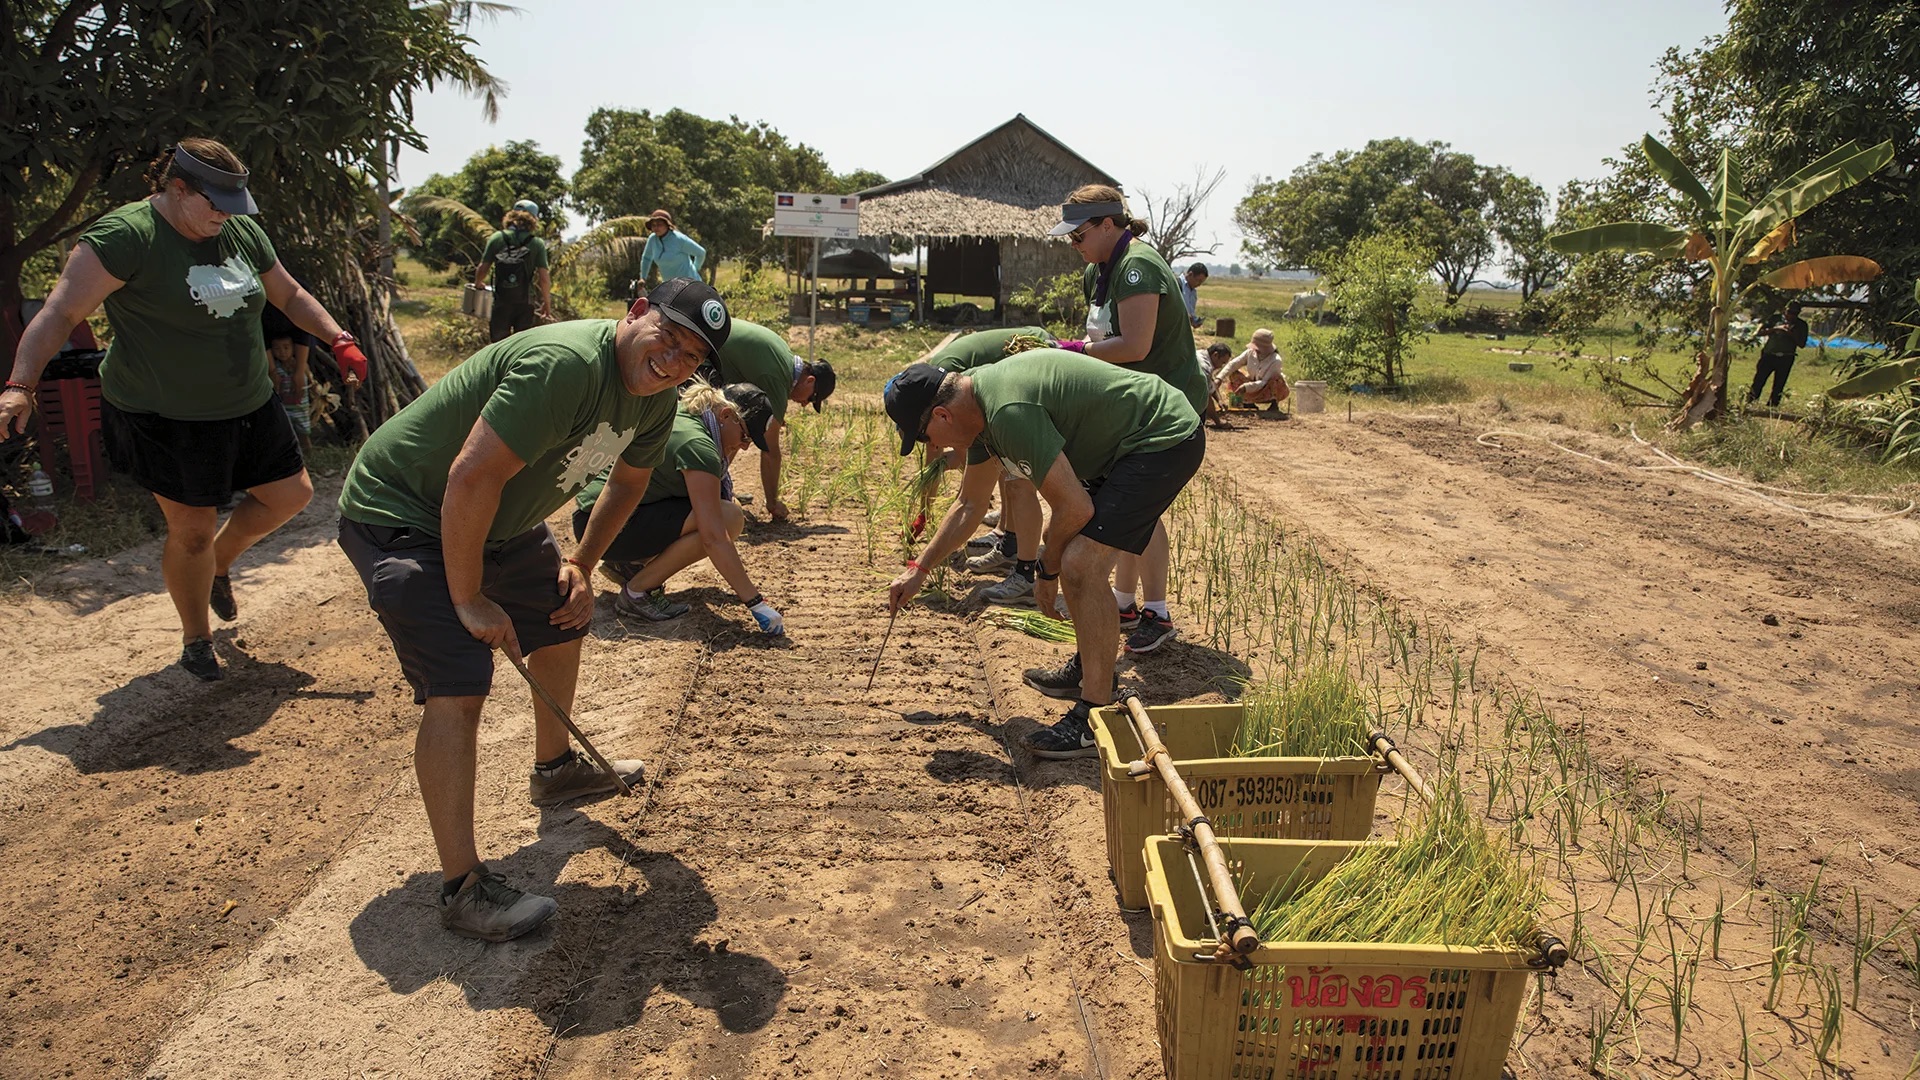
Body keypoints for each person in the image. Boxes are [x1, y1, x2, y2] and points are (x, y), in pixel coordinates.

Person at [335, 278, 731, 942]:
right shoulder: (567, 365)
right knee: (460, 679)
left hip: (498, 521)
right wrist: (467, 596)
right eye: (668, 339)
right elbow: (470, 476)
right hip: (405, 512)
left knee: (561, 611)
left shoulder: (655, 401)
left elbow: (628, 484)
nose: (673, 362)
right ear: (635, 314)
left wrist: (579, 564)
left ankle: (555, 771)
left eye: (692, 357)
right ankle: (463, 890)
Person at [0, 138, 367, 682]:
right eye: (215, 206)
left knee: (291, 496)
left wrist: (339, 338)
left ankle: (220, 563)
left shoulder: (238, 229)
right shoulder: (125, 238)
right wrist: (20, 385)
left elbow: (287, 295)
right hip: (164, 414)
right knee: (192, 529)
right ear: (177, 188)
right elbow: (59, 313)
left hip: (246, 400)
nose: (226, 217)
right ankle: (197, 638)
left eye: (232, 207)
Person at [884, 350, 1203, 758]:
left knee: (1079, 563)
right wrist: (919, 569)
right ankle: (1091, 669)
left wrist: (1045, 570)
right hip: (1124, 445)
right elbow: (968, 505)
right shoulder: (977, 407)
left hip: (1161, 437)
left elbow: (1074, 507)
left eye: (924, 437)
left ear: (943, 416)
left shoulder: (1007, 411)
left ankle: (1095, 712)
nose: (931, 446)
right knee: (1073, 556)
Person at [1048, 186, 1208, 654]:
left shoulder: (1137, 268)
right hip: (1132, 407)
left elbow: (1135, 346)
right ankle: (1124, 603)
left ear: (1107, 225)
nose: (1073, 244)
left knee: (1141, 507)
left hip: (1165, 408)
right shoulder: (1100, 271)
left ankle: (1155, 613)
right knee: (1128, 506)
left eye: (1078, 234)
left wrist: (1071, 353)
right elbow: (1102, 334)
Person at [572, 381, 784, 630]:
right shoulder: (697, 445)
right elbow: (713, 537)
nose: (745, 446)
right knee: (729, 517)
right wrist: (755, 603)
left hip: (598, 520)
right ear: (726, 415)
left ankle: (629, 565)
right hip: (605, 527)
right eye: (746, 436)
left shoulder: (688, 414)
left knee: (721, 506)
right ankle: (638, 592)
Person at [923, 326, 1055, 606]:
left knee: (1017, 481)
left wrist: (921, 566)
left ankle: (1025, 572)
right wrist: (925, 512)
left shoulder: (952, 392)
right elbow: (962, 481)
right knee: (1008, 475)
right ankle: (1009, 544)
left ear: (938, 416)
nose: (932, 444)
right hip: (1003, 394)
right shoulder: (947, 405)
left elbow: (968, 488)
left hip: (1035, 362)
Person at [703, 318, 836, 521]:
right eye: (811, 398)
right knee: (732, 431)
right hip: (701, 352)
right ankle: (704, 489)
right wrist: (772, 503)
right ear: (810, 380)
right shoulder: (777, 380)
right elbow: (770, 452)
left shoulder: (784, 355)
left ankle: (715, 485)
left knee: (741, 425)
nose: (804, 404)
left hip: (709, 342)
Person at [473, 200, 550, 343]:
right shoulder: (536, 243)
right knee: (522, 347)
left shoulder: (497, 238)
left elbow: (483, 267)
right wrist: (547, 302)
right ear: (533, 219)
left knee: (498, 345)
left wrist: (478, 283)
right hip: (525, 302)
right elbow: (544, 278)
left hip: (501, 300)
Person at [1214, 327, 1290, 414]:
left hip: (1265, 389)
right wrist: (1219, 378)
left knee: (1276, 380)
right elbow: (1233, 364)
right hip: (1252, 385)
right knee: (1234, 374)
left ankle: (1274, 404)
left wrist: (1246, 387)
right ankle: (1242, 404)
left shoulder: (1275, 361)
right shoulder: (1250, 353)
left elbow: (1264, 382)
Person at [1750, 301, 1810, 409]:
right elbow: (1759, 332)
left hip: (1786, 357)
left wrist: (1790, 334)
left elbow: (1802, 344)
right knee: (1759, 380)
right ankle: (1750, 403)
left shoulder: (1801, 325)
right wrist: (1775, 329)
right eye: (1790, 312)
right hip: (1769, 355)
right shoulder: (1774, 319)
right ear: (1784, 310)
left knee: (1779, 384)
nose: (1791, 315)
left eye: (1795, 313)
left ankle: (1772, 407)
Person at [266, 326, 314, 455]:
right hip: (284, 407)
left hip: (300, 407)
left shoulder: (301, 366)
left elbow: (310, 381)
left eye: (286, 347)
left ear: (293, 348)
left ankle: (309, 455)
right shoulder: (274, 369)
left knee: (303, 433)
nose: (282, 352)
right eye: (277, 348)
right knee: (285, 433)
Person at [638, 209, 707, 287]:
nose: (656, 228)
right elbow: (646, 258)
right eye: (653, 225)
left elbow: (701, 253)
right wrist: (643, 277)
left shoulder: (679, 239)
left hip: (690, 285)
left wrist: (695, 269)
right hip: (670, 287)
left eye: (659, 224)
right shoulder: (652, 239)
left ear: (667, 225)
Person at [1196, 342, 1235, 427]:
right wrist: (1218, 421)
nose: (1221, 366)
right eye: (1222, 362)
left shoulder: (1201, 354)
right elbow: (1206, 395)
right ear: (1215, 355)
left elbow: (1209, 383)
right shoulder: (1204, 366)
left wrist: (1219, 400)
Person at [1179, 264, 1208, 329]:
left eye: (1202, 282)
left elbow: (1191, 312)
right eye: (1198, 281)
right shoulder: (1176, 285)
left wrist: (1194, 321)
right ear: (1190, 274)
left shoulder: (1193, 293)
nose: (1199, 284)